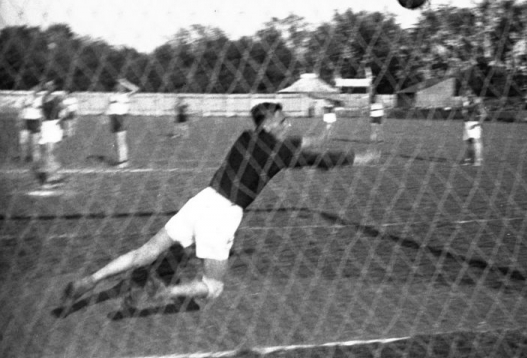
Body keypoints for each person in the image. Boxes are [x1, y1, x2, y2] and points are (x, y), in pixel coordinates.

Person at [60, 102, 380, 314]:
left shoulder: (245, 137)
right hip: (224, 214)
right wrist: (357, 158)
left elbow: (298, 143)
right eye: (284, 119)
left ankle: (92, 279)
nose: (289, 122)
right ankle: (164, 293)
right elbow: (319, 159)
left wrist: (313, 137)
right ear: (269, 123)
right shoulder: (280, 153)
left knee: (146, 252)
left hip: (202, 200)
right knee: (213, 289)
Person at [107, 77, 139, 167]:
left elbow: (136, 89)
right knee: (118, 141)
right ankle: (122, 160)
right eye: (118, 85)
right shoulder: (111, 96)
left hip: (122, 118)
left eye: (121, 86)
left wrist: (126, 82)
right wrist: (107, 117)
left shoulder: (126, 95)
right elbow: (109, 108)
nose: (119, 87)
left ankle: (123, 161)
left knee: (121, 140)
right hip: (113, 118)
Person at [37, 87, 66, 185]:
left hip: (54, 126)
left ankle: (52, 176)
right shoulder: (44, 99)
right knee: (49, 152)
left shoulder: (56, 99)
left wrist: (60, 120)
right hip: (47, 126)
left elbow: (66, 111)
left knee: (51, 152)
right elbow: (42, 114)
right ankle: (52, 177)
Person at [18, 83, 46, 163]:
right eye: (35, 87)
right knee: (23, 142)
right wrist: (20, 120)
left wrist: (42, 122)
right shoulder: (25, 98)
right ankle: (23, 158)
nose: (37, 89)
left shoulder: (41, 99)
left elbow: (42, 112)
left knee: (35, 143)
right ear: (32, 88)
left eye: (39, 88)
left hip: (35, 121)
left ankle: (36, 159)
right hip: (25, 121)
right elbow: (21, 109)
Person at [461, 93, 487, 167]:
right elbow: (464, 115)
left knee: (476, 141)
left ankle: (477, 160)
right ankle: (468, 160)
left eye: (471, 97)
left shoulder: (477, 105)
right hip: (467, 124)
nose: (469, 98)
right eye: (468, 97)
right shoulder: (466, 105)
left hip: (474, 124)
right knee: (468, 143)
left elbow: (484, 114)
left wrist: (477, 124)